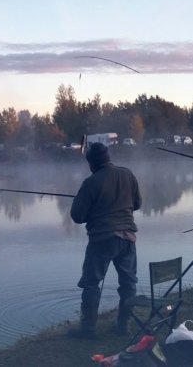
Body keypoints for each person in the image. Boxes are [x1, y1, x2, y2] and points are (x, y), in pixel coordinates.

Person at [68, 142, 142, 339]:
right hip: (128, 238)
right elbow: (137, 204)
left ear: (91, 163)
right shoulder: (127, 174)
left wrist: (82, 201)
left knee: (91, 283)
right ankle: (123, 327)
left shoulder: (91, 183)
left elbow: (77, 216)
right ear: (108, 157)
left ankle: (88, 329)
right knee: (128, 284)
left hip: (102, 239)